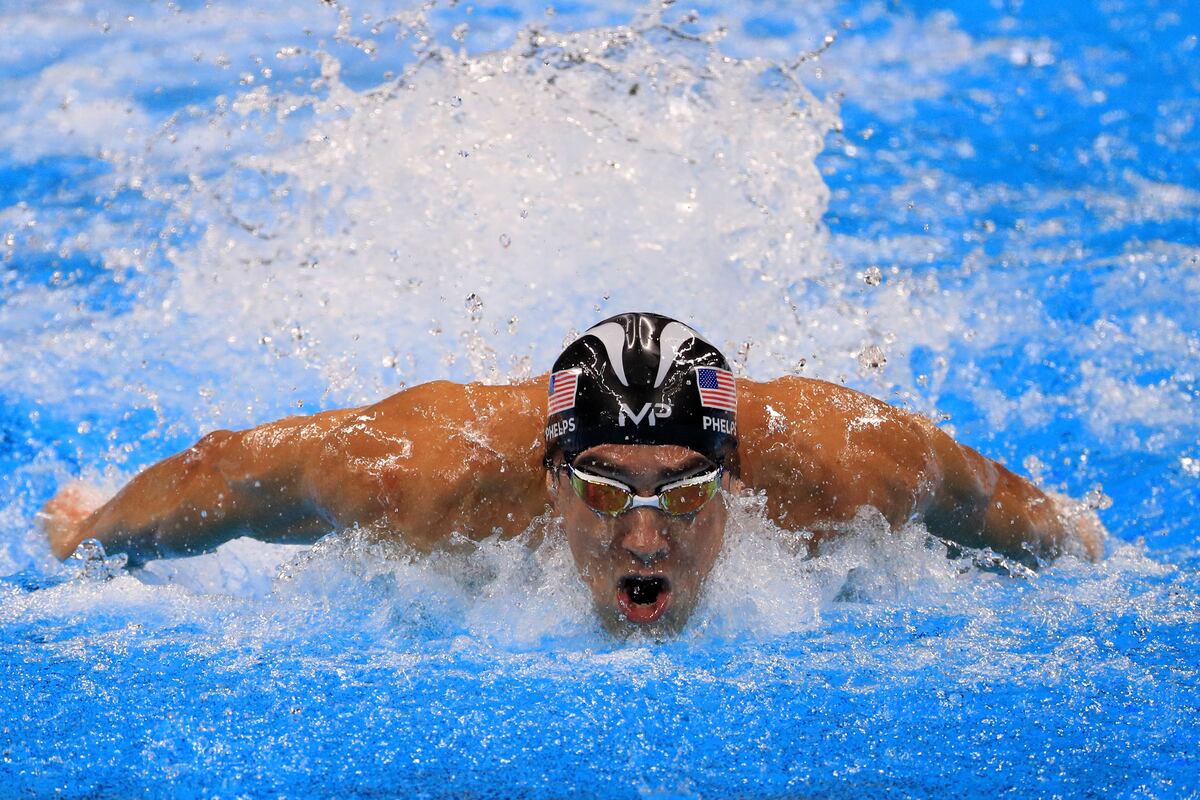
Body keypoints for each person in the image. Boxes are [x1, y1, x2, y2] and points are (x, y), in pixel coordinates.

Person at [40, 312, 1103, 634]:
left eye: (684, 491)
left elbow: (997, 504)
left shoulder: (848, 466)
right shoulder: (421, 477)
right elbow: (228, 471)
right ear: (546, 478)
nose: (646, 538)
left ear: (736, 481)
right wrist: (92, 533)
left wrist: (1080, 543)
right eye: (602, 488)